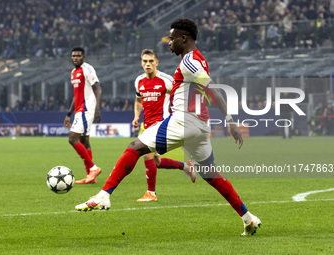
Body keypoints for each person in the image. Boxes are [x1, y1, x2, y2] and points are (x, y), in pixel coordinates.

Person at [75, 19, 261, 236]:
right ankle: (248, 218)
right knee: (210, 175)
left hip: (184, 121)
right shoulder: (197, 59)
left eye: (172, 38)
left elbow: (214, 90)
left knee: (135, 147)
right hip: (200, 127)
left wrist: (230, 121)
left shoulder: (189, 62)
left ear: (184, 38)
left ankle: (103, 195)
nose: (169, 42)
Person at [133, 49, 196, 202]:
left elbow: (181, 95)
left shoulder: (166, 80)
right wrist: (136, 116)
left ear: (156, 63)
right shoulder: (139, 81)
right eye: (144, 61)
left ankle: (151, 193)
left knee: (146, 155)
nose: (147, 64)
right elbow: (138, 101)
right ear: (141, 62)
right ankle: (187, 167)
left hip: (162, 125)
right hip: (146, 125)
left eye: (150, 61)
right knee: (156, 162)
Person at [64, 47, 102, 184]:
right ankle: (90, 176)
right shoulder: (73, 72)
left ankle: (93, 168)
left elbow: (98, 88)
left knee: (72, 139)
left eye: (78, 56)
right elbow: (76, 95)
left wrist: (97, 108)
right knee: (84, 140)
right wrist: (69, 114)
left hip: (87, 109)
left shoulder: (87, 69)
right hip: (79, 110)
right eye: (73, 56)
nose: (75, 58)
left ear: (83, 57)